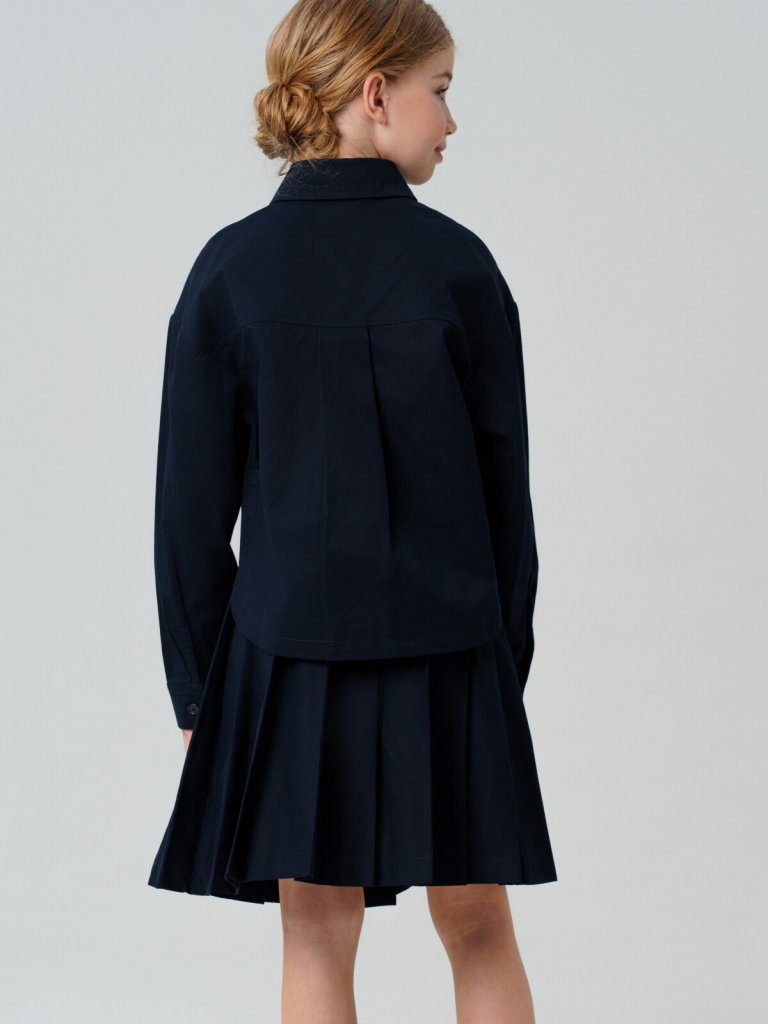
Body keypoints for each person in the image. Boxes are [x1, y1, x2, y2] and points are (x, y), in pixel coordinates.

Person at [148, 0, 557, 1020]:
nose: (451, 122)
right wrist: (502, 659)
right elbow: (506, 498)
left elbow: (187, 513)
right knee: (479, 924)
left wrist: (200, 693)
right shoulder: (459, 266)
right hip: (451, 648)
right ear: (376, 94)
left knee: (316, 930)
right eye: (441, 91)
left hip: (288, 654)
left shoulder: (229, 268)